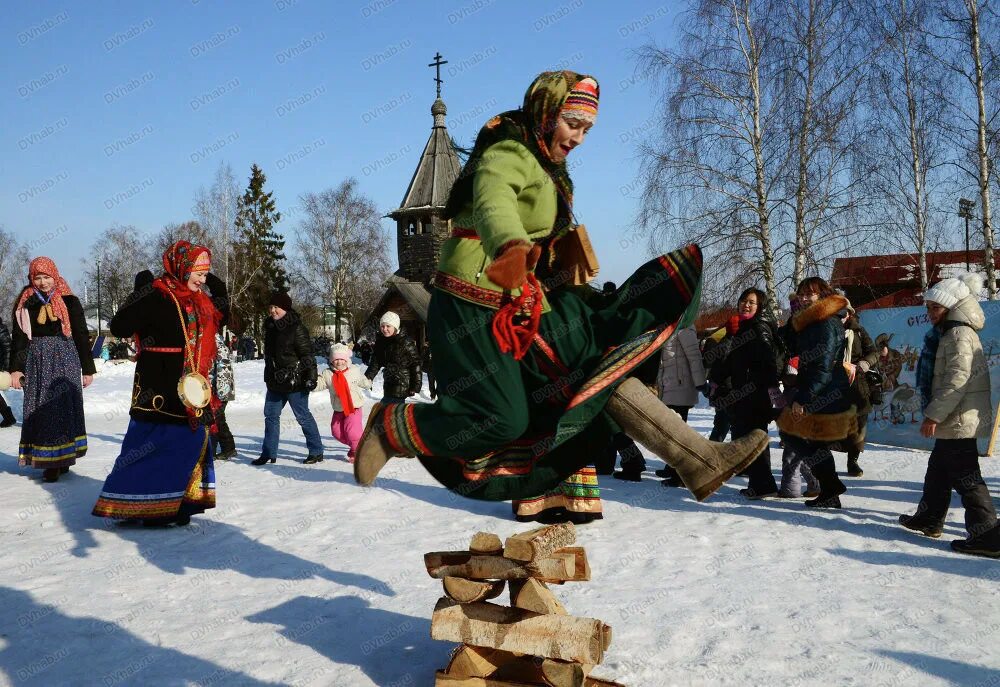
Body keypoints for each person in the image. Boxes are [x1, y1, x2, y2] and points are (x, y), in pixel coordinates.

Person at [354, 70, 767, 502]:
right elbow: (495, 200)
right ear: (547, 114)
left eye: (587, 129)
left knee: (597, 366)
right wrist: (511, 246)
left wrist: (557, 255)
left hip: (525, 301)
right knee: (502, 420)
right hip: (472, 300)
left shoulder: (548, 169)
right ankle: (394, 426)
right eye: (574, 124)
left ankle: (697, 459)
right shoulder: (509, 151)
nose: (579, 138)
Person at [92, 242, 226, 525]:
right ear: (181, 268)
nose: (201, 280)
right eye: (197, 273)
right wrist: (139, 294)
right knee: (148, 444)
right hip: (157, 383)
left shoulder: (199, 300)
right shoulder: (155, 294)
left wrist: (216, 284)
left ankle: (176, 504)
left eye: (205, 274)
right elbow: (119, 327)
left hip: (189, 386)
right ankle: (133, 504)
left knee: (187, 445)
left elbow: (226, 315)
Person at [900, 273, 999, 558]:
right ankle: (929, 518)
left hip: (957, 417)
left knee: (967, 477)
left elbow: (957, 379)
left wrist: (933, 415)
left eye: (935, 308)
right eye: (928, 307)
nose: (930, 313)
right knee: (939, 470)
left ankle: (987, 534)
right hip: (955, 417)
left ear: (951, 306)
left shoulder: (958, 334)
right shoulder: (951, 331)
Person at [9, 257, 95, 482]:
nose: (43, 282)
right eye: (38, 277)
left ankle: (61, 459)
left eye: (46, 277)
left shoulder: (69, 300)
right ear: (31, 278)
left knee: (62, 406)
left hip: (65, 358)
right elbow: (19, 337)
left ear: (54, 275)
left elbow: (80, 334)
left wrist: (87, 369)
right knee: (41, 408)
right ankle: (51, 459)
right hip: (36, 360)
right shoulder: (26, 301)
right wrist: (16, 369)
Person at [775, 277, 854, 508]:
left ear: (822, 295)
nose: (804, 297)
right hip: (815, 387)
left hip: (823, 389)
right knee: (807, 439)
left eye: (810, 294)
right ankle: (831, 489)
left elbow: (823, 367)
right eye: (801, 293)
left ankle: (831, 487)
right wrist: (792, 321)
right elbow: (788, 341)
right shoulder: (809, 321)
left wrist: (803, 399)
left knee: (795, 435)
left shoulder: (827, 323)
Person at [711, 289, 783, 499]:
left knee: (754, 437)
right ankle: (762, 483)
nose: (746, 305)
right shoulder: (742, 327)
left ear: (760, 306)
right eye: (743, 301)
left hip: (755, 394)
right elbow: (729, 360)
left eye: (752, 302)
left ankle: (763, 484)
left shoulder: (759, 327)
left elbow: (769, 361)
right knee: (750, 437)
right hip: (744, 392)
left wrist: (765, 388)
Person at [254, 291, 323, 465]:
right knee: (270, 415)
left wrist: (311, 377)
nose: (273, 310)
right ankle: (269, 452)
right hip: (275, 381)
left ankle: (316, 451)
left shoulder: (297, 327)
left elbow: (307, 354)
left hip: (295, 381)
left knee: (302, 416)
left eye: (277, 307)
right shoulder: (270, 328)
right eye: (271, 307)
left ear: (285, 308)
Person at [830, 305, 878, 477]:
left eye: (843, 313)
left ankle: (853, 462)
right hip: (833, 384)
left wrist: (865, 363)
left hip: (858, 384)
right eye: (836, 313)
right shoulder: (828, 329)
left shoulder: (858, 331)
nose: (839, 317)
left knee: (859, 426)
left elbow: (873, 352)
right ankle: (824, 466)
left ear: (850, 314)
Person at [364, 311, 421, 403]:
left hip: (402, 383)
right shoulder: (381, 342)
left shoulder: (405, 342)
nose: (384, 329)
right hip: (388, 382)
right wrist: (367, 378)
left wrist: (416, 385)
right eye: (382, 326)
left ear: (395, 327)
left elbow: (415, 363)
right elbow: (376, 362)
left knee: (388, 410)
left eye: (388, 326)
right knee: (388, 412)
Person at [327, 342, 371, 462]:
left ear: (347, 359)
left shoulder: (354, 370)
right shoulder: (328, 373)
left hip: (353, 407)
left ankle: (358, 451)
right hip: (338, 409)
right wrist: (311, 384)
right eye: (336, 359)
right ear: (331, 360)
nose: (339, 362)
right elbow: (319, 383)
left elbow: (362, 380)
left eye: (342, 359)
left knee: (352, 432)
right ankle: (357, 445)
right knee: (336, 432)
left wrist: (368, 383)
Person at [210, 331, 237, 460]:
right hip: (209, 389)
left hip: (219, 390)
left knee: (216, 419)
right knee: (215, 420)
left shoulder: (218, 344)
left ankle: (225, 448)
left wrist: (221, 393)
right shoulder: (207, 341)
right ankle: (226, 448)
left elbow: (223, 369)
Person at [0, 314, 16, 427]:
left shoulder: (1, 328)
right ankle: (8, 417)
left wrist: (5, 368)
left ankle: (9, 417)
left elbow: (8, 348)